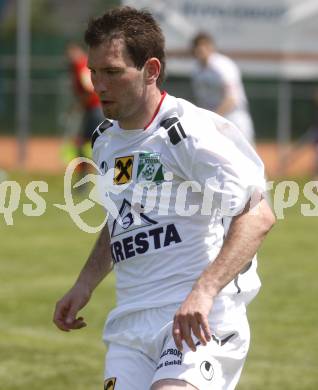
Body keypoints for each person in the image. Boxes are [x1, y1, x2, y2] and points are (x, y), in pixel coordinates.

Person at [53, 7, 275, 390]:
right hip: (131, 325)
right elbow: (121, 218)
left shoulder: (186, 132)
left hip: (198, 319)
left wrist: (203, 292)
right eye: (93, 71)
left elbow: (258, 215)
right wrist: (84, 283)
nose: (97, 85)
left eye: (112, 72)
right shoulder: (105, 140)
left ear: (151, 70)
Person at [191, 32, 255, 144]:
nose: (200, 50)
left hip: (234, 118)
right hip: (213, 120)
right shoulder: (196, 70)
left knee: (243, 160)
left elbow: (232, 99)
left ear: (211, 47)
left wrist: (213, 117)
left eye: (203, 45)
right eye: (197, 46)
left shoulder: (223, 66)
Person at [65, 43, 104, 162]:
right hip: (92, 109)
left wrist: (80, 104)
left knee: (84, 142)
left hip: (94, 109)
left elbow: (88, 87)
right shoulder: (79, 64)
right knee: (86, 141)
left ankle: (86, 171)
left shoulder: (80, 64)